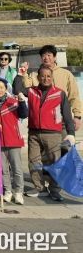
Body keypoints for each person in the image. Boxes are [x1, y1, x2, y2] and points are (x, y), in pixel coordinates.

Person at [24, 65, 76, 202]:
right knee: (33, 161)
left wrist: (71, 133)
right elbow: (17, 89)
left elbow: (67, 115)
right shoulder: (31, 91)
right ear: (38, 77)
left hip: (53, 134)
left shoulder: (59, 93)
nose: (45, 78)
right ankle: (39, 187)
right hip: (34, 133)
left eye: (48, 76)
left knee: (55, 162)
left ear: (52, 77)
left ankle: (55, 190)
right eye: (42, 76)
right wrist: (20, 74)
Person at [18, 44, 81, 131]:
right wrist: (24, 73)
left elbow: (74, 96)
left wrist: (77, 116)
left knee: (64, 138)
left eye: (49, 55)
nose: (46, 58)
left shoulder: (66, 74)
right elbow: (27, 89)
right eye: (43, 55)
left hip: (61, 117)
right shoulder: (35, 75)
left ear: (55, 57)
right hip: (41, 120)